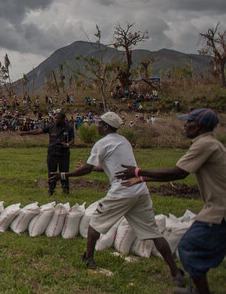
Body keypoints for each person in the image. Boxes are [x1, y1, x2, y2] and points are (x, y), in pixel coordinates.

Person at [50, 112, 185, 286]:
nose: (97, 126)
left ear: (106, 126)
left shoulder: (101, 143)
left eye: (99, 124)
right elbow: (111, 165)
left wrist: (63, 175)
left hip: (121, 192)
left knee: (94, 224)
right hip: (140, 191)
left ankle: (89, 258)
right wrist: (91, 168)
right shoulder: (124, 142)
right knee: (154, 233)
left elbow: (87, 170)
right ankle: (175, 272)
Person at [116, 108, 224, 294]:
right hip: (217, 208)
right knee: (201, 251)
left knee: (189, 247)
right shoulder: (212, 143)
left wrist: (138, 171)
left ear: (197, 125)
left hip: (219, 210)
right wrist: (142, 178)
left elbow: (178, 173)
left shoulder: (204, 144)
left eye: (187, 122)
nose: (184, 125)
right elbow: (179, 173)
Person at [20, 110, 75, 195]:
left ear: (63, 119)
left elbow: (72, 140)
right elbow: (39, 131)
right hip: (52, 153)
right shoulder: (51, 127)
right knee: (51, 172)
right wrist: (26, 133)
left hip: (64, 153)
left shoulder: (69, 128)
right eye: (55, 118)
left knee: (64, 172)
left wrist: (67, 144)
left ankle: (65, 189)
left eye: (58, 118)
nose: (56, 120)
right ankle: (51, 190)